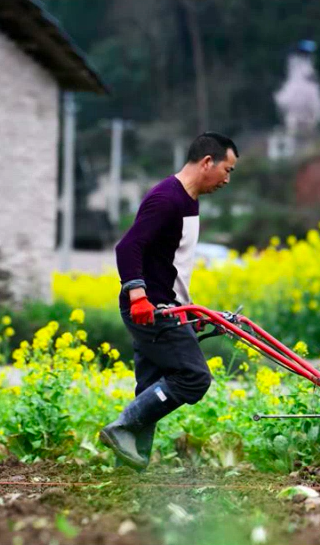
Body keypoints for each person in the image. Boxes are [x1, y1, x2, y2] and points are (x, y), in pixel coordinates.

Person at [99, 132, 239, 470]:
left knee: (150, 384)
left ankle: (129, 467)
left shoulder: (189, 200)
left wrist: (193, 311)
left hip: (169, 306)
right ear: (208, 162)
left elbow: (168, 263)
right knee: (194, 377)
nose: (227, 178)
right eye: (228, 169)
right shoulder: (166, 199)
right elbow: (128, 247)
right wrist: (138, 296)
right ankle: (122, 428)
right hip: (151, 309)